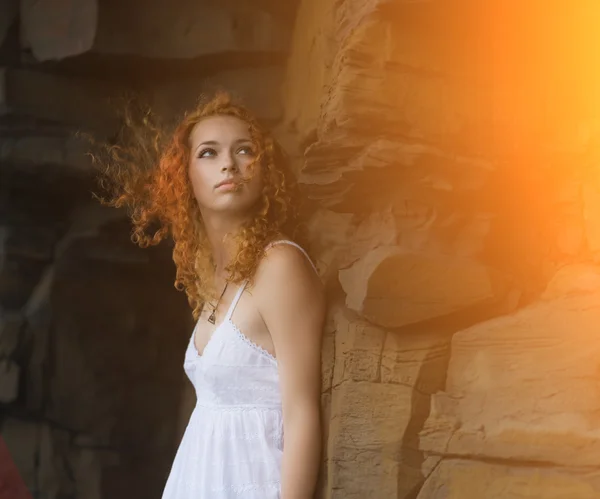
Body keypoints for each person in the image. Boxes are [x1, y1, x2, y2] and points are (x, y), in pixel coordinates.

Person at [96, 92, 326, 498]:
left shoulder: (279, 265)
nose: (228, 164)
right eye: (208, 152)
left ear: (264, 168)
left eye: (244, 150)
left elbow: (302, 411)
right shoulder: (211, 278)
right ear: (184, 177)